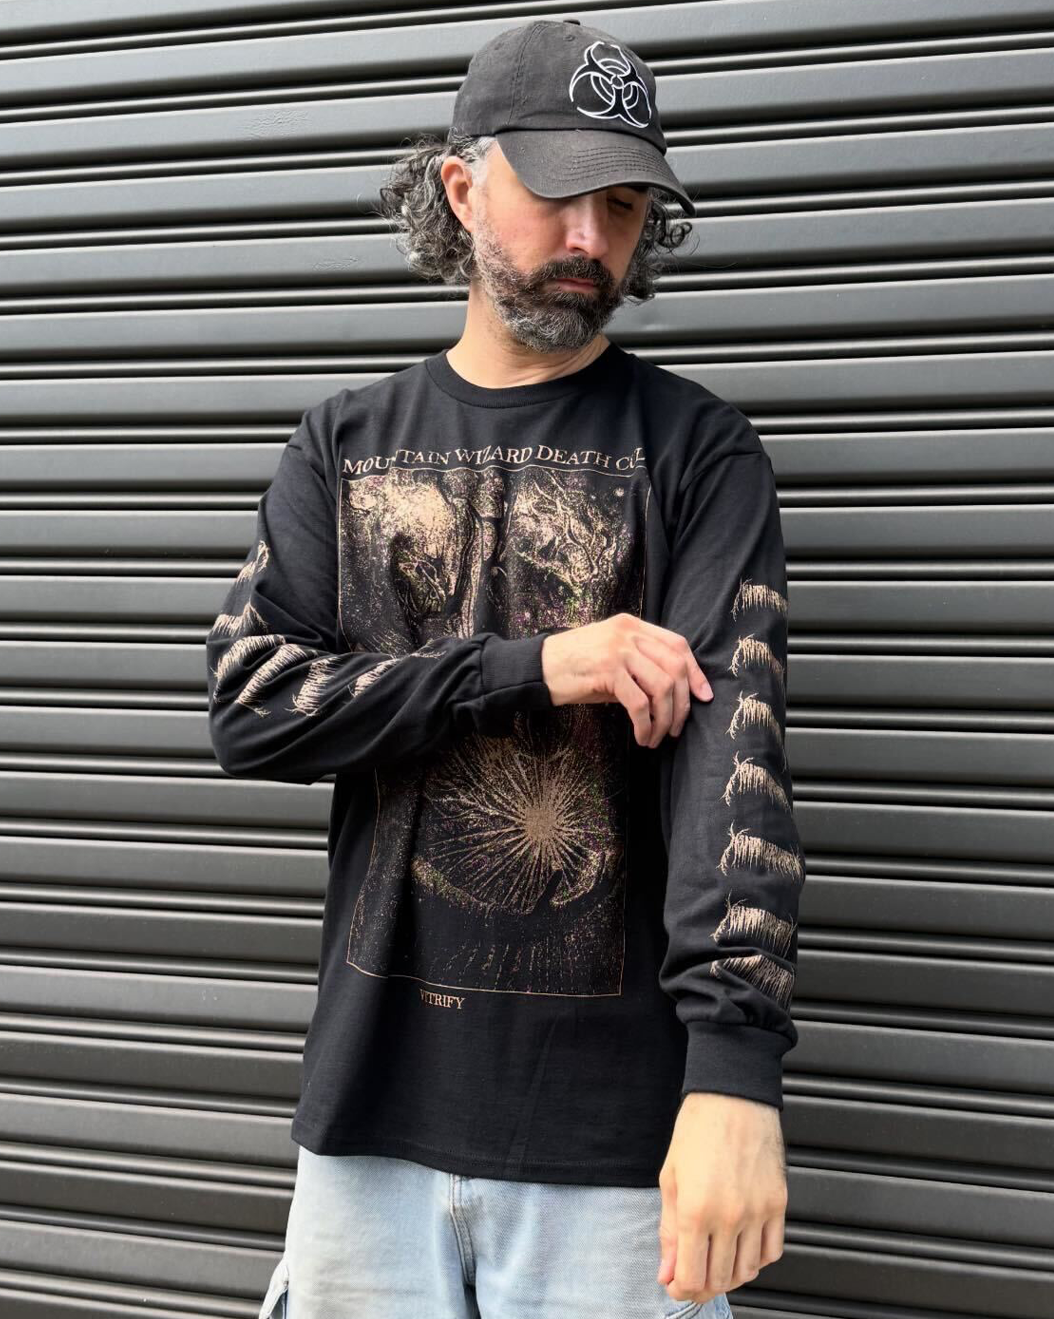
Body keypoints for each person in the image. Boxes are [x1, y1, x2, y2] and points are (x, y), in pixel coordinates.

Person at [206, 17, 803, 1319]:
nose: (591, 236)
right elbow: (253, 707)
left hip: (616, 1149)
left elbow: (736, 763)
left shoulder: (696, 452)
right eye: (556, 191)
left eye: (624, 203)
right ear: (461, 188)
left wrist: (733, 1074)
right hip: (369, 1127)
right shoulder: (345, 442)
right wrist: (535, 666)